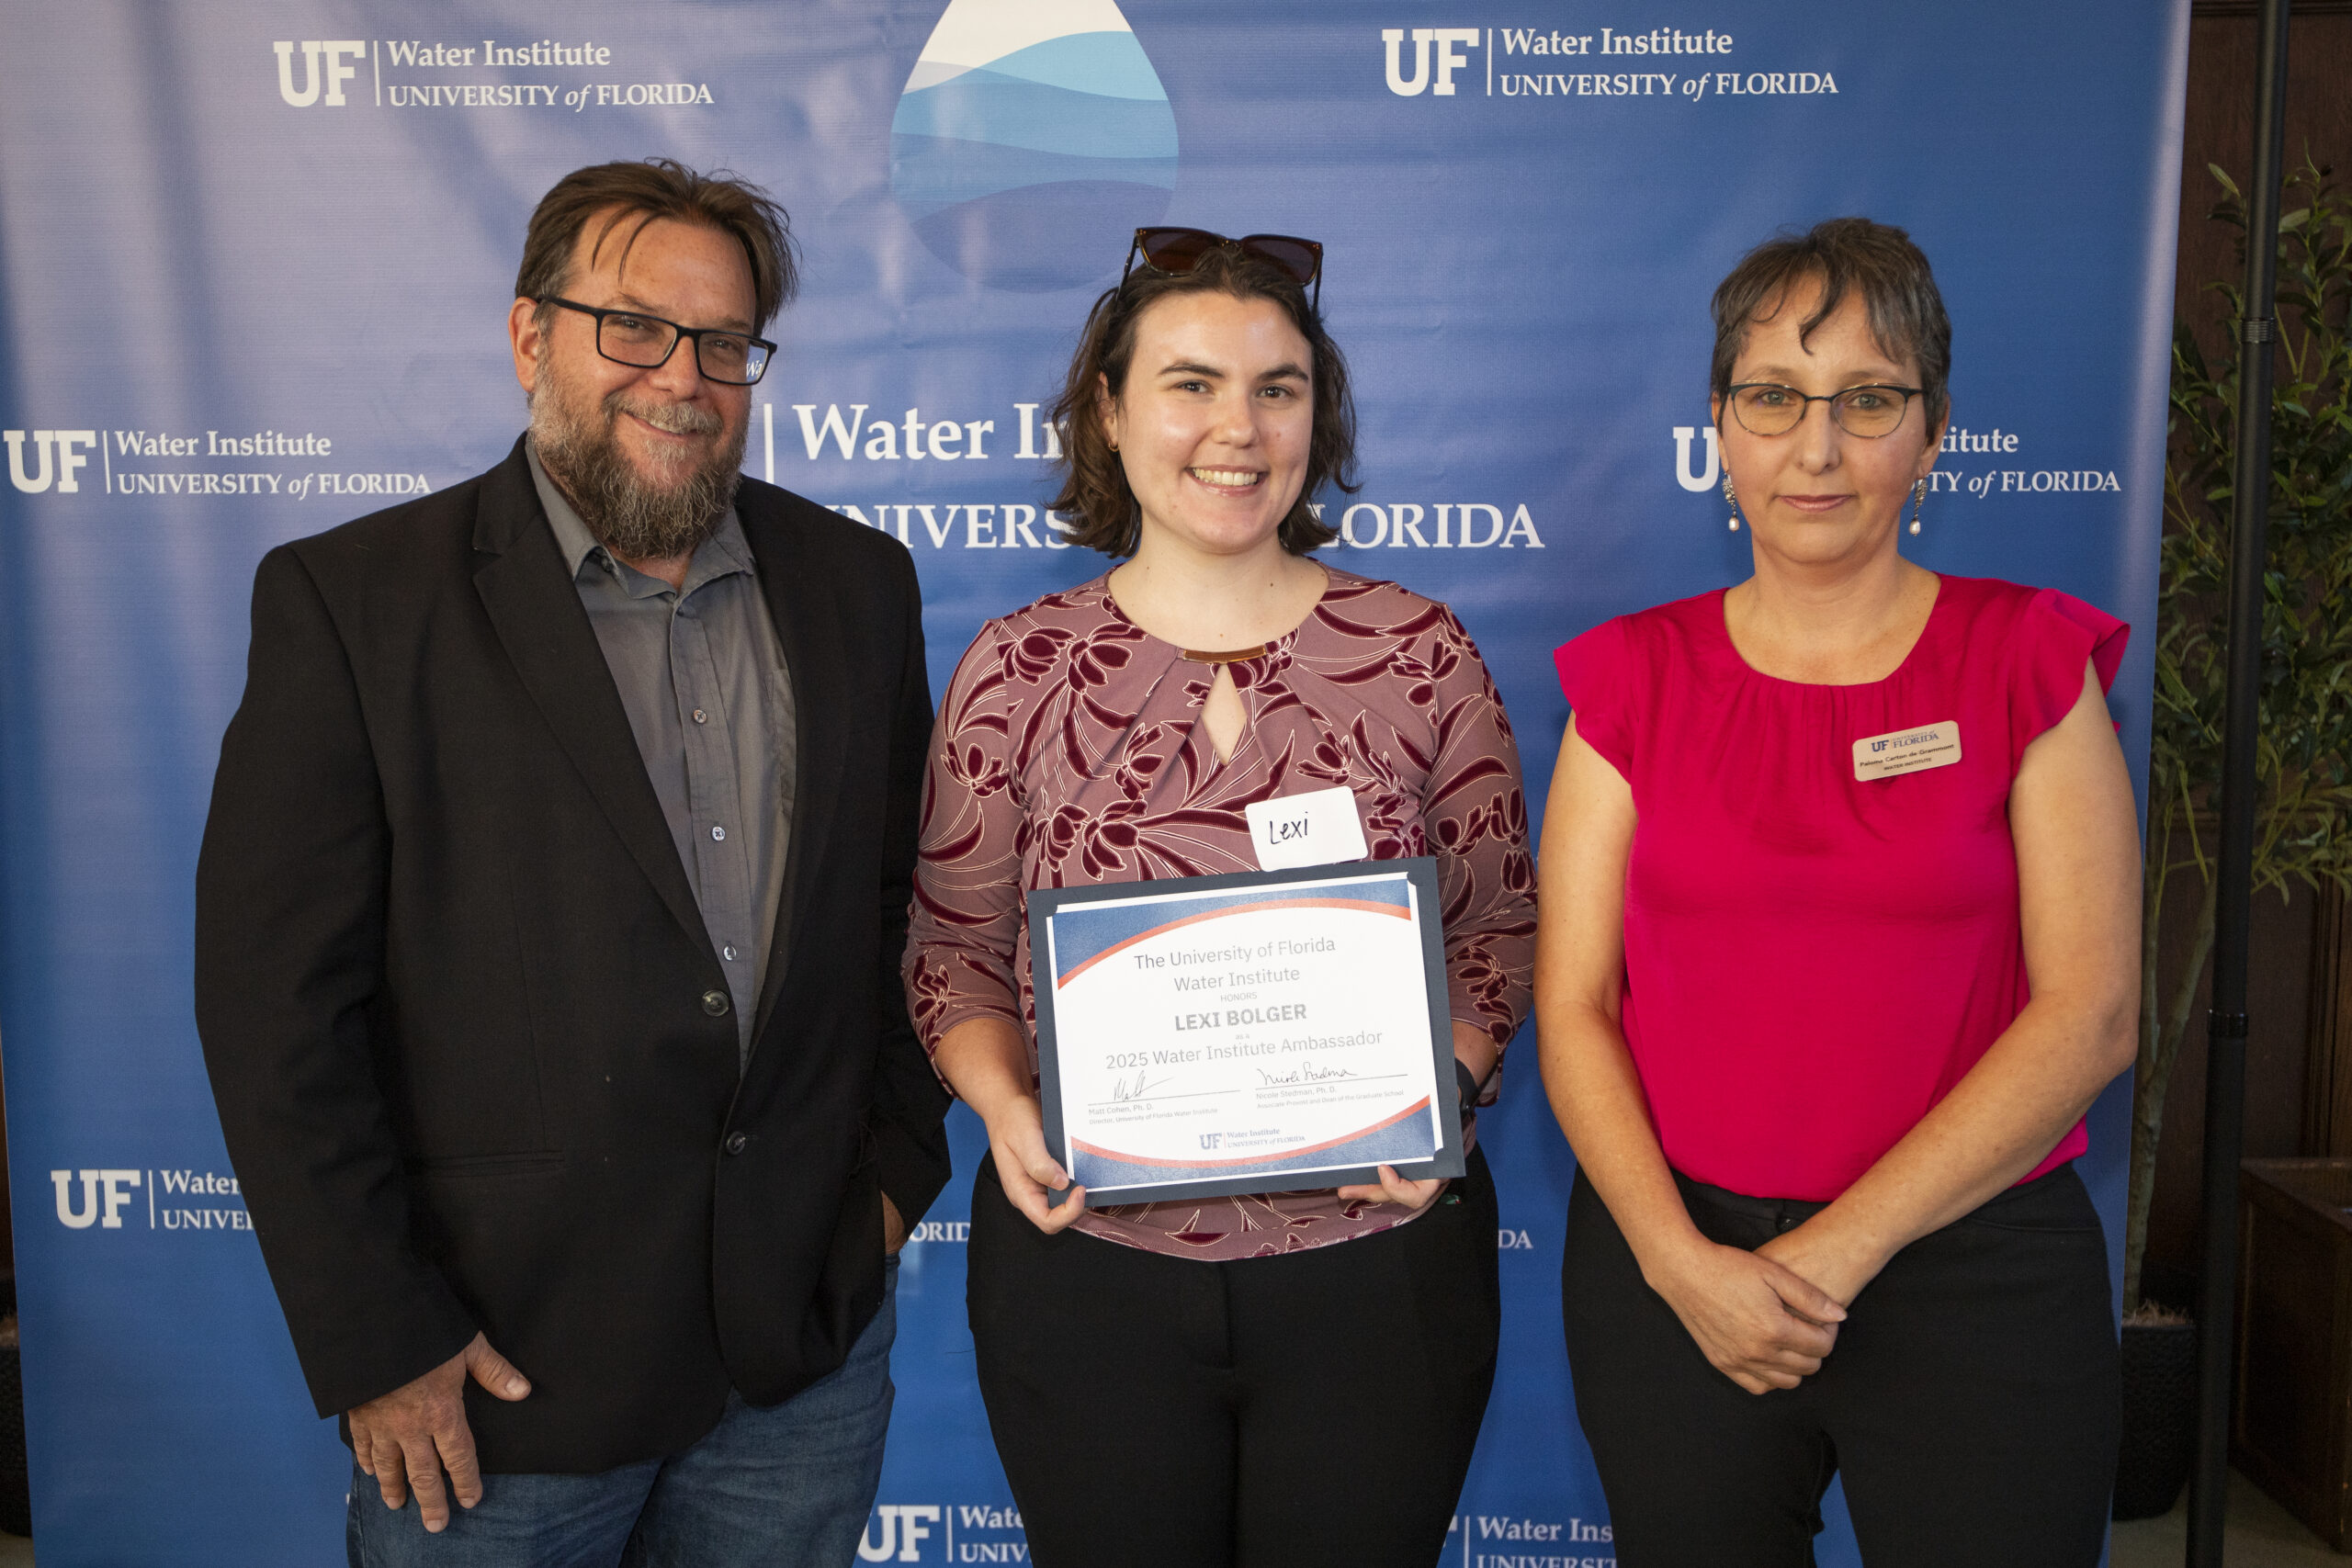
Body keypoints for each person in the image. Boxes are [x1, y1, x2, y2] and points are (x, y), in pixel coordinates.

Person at [194, 158, 949, 1566]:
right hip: (490, 1388)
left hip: (799, 1368)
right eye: (635, 328)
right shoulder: (354, 606)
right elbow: (275, 1010)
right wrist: (378, 1340)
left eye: (725, 343)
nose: (683, 377)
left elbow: (915, 910)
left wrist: (896, 1177)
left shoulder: (858, 584)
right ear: (530, 336)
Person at [903, 229, 1536, 1568]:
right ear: (1109, 411)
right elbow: (950, 948)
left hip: (1379, 1269)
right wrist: (1009, 1110)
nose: (1236, 427)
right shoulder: (1018, 668)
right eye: (1190, 383)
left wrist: (1446, 1093)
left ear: (1321, 413)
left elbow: (1497, 931)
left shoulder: (1420, 653)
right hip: (1092, 1276)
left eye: (1279, 386)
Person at [1536, 216, 2139, 1566]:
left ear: (1931, 436)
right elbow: (1571, 1003)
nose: (1816, 449)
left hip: (1976, 1272)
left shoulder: (2026, 661)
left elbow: (2094, 1011)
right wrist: (1683, 1264)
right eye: (1774, 400)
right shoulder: (1629, 682)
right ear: (1720, 431)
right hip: (1676, 1275)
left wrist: (1826, 1262)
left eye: (1867, 402)